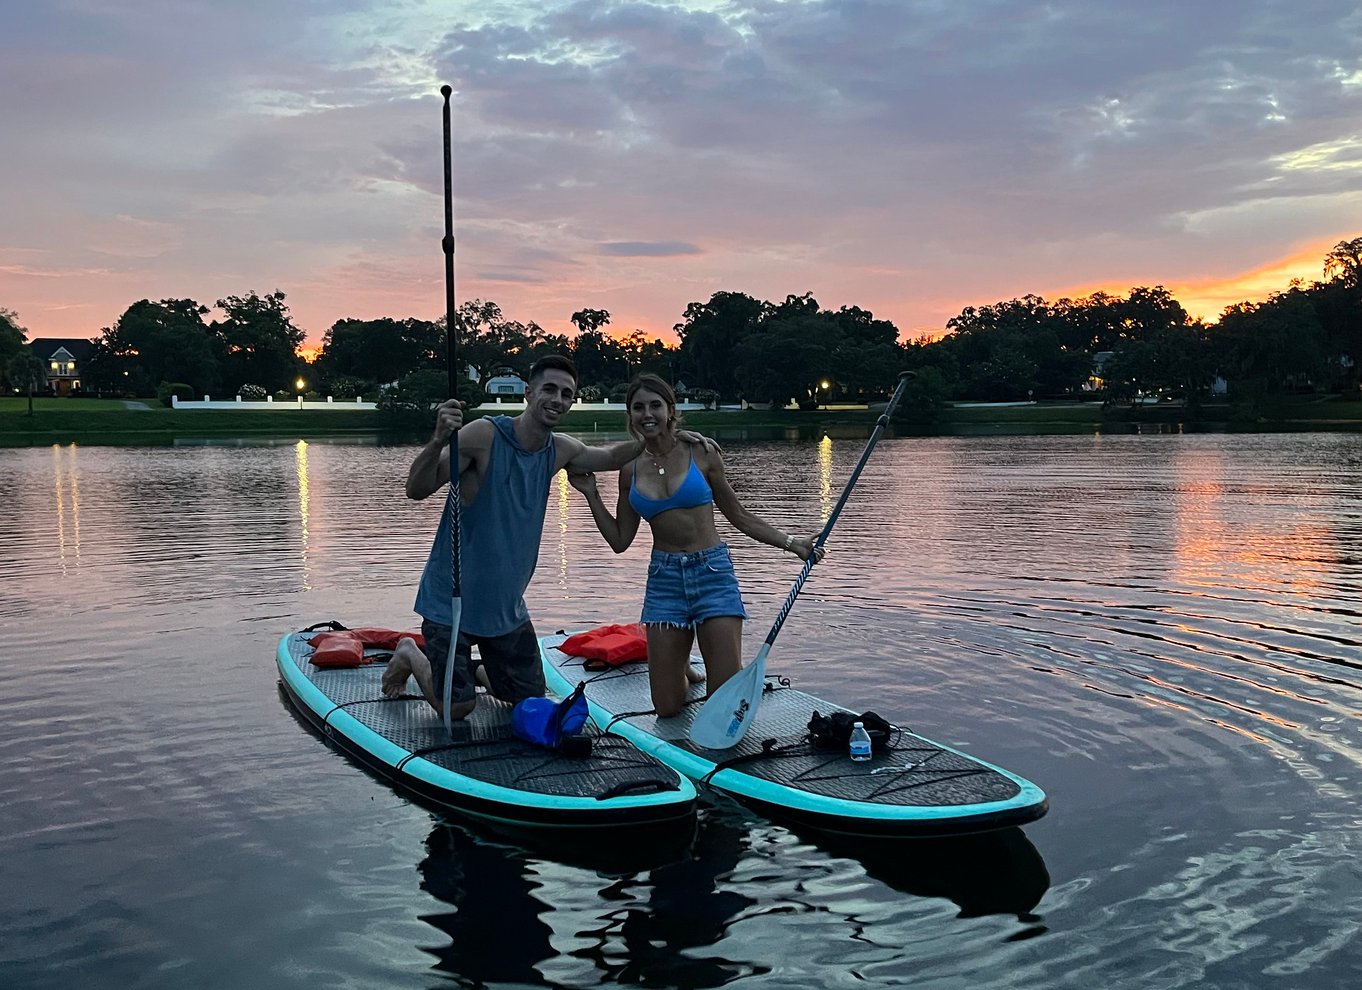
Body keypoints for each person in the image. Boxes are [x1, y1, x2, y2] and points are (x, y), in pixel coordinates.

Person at [381, 355, 714, 721]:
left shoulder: (560, 449)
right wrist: (438, 439)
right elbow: (416, 488)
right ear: (528, 392)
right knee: (457, 708)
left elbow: (609, 455)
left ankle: (471, 672)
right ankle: (411, 654)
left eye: (566, 393)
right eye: (549, 389)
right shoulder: (483, 436)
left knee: (528, 700)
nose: (557, 399)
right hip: (451, 603)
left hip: (505, 609)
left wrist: (665, 435)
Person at [568, 373, 823, 718]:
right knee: (667, 708)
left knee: (722, 702)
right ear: (629, 415)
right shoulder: (628, 468)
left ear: (671, 410)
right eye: (638, 407)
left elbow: (740, 516)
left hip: (712, 573)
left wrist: (794, 544)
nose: (647, 414)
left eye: (655, 405)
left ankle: (687, 657)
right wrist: (592, 495)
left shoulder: (701, 452)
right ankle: (682, 664)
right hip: (665, 580)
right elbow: (619, 541)